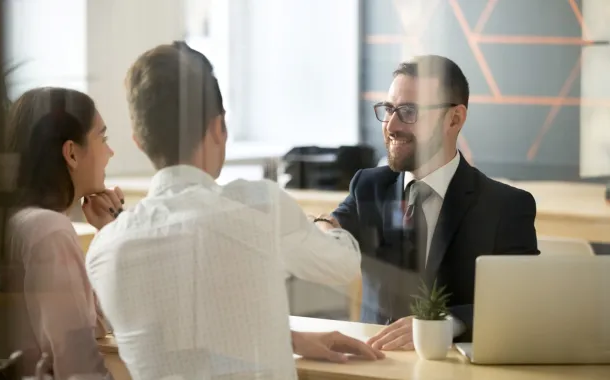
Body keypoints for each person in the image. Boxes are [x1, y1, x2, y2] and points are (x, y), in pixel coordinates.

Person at [85, 41, 383, 380]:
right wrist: (328, 223)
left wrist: (289, 339)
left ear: (139, 141)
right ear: (218, 127)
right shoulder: (258, 205)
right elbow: (343, 266)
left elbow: (182, 337)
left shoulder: (104, 249)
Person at [331, 55, 539, 349]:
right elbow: (334, 228)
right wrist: (324, 225)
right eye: (389, 109)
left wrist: (445, 323)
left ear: (454, 119)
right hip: (375, 364)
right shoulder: (368, 186)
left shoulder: (506, 206)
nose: (391, 125)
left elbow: (522, 302)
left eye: (409, 112)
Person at [4, 87, 124, 379]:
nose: (110, 151)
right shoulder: (50, 231)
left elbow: (96, 325)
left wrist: (108, 234)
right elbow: (79, 368)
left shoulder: (23, 221)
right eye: (103, 138)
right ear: (71, 152)